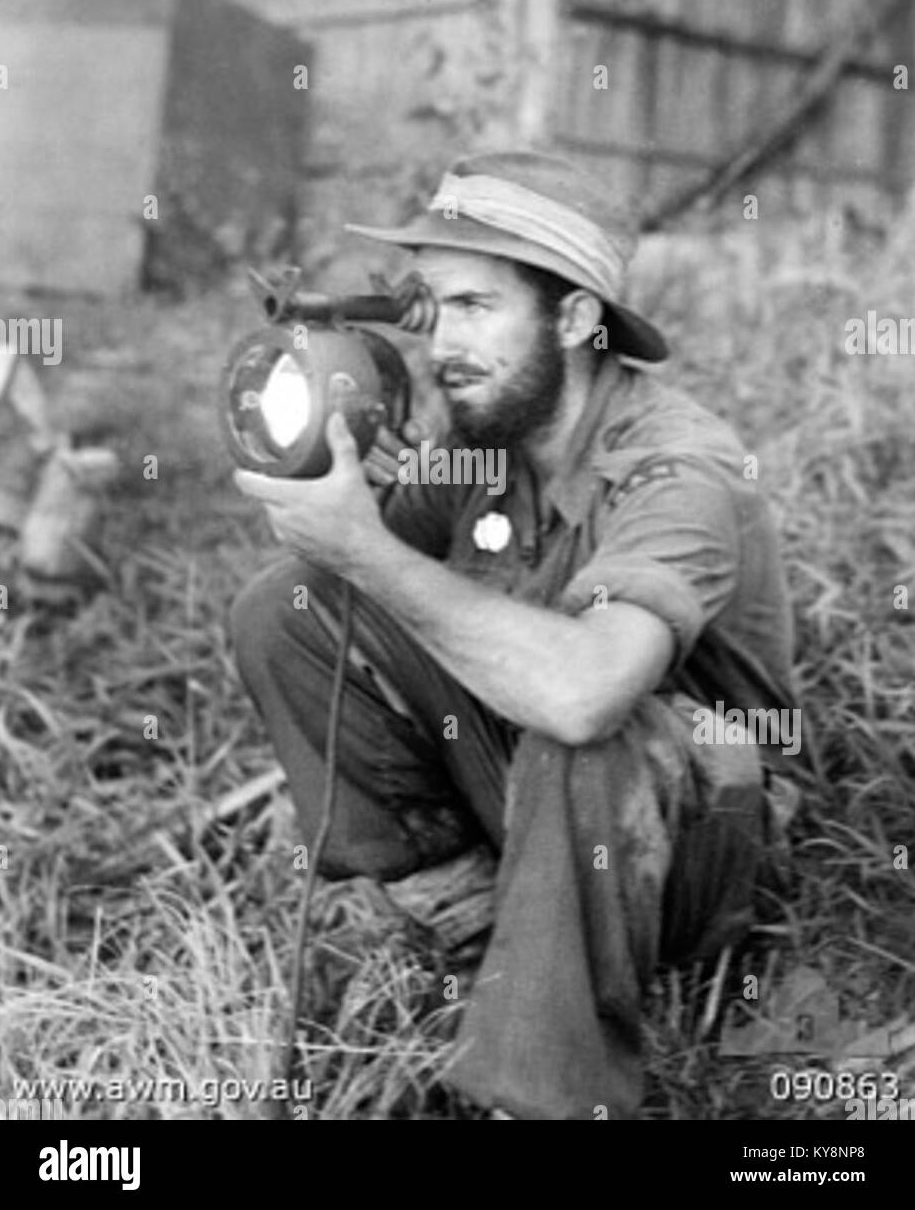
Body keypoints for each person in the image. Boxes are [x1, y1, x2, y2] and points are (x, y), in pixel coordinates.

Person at [230, 151, 797, 1120]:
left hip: (692, 846)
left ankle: (535, 1092)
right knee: (283, 608)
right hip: (537, 800)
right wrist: (351, 504)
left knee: (588, 728)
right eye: (432, 307)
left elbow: (582, 693)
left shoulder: (678, 471)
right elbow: (353, 604)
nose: (440, 342)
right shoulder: (480, 445)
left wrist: (371, 551)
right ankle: (468, 921)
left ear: (576, 319)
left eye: (474, 306)